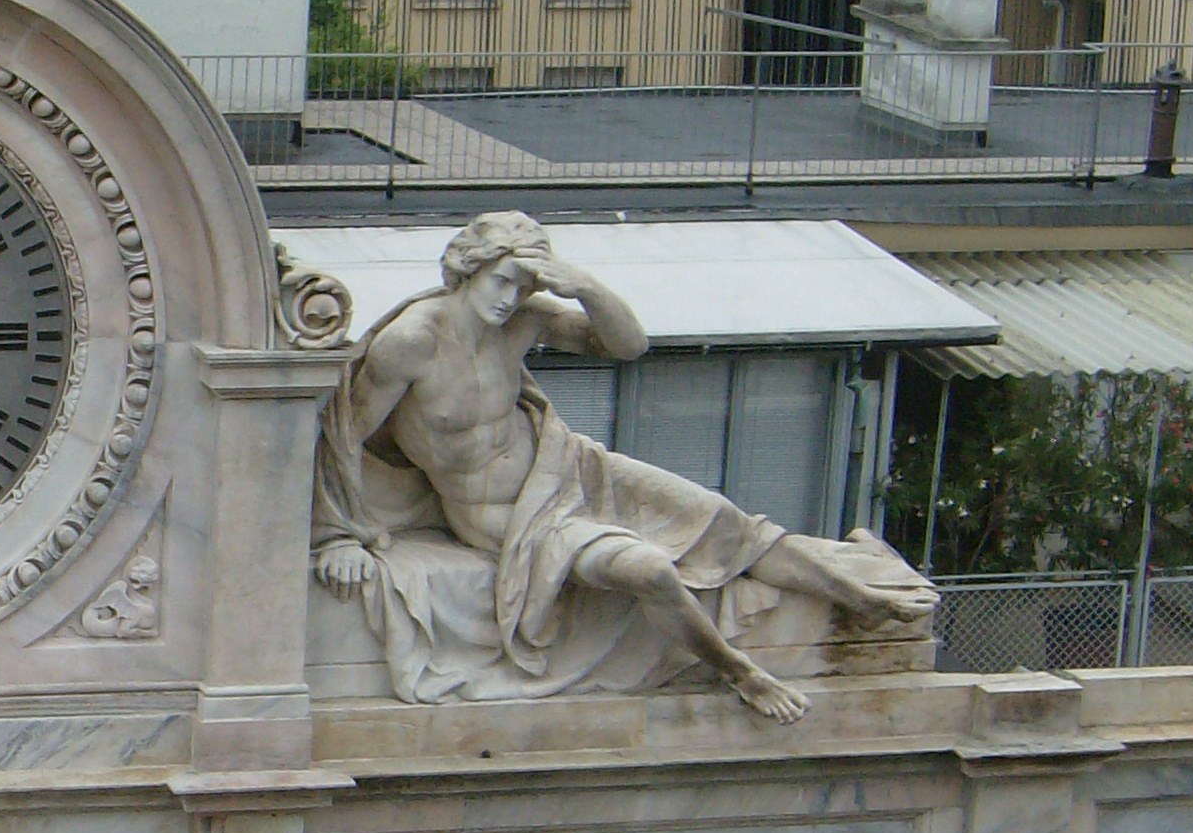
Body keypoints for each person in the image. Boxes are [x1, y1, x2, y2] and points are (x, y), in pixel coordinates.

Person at [314, 211, 934, 721]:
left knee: (721, 519)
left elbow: (628, 346)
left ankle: (862, 595)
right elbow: (344, 434)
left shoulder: (525, 319)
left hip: (570, 466)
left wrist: (581, 285)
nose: (511, 299)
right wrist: (339, 535)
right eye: (502, 281)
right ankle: (742, 673)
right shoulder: (412, 340)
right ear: (468, 270)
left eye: (524, 285)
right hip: (511, 519)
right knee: (650, 569)